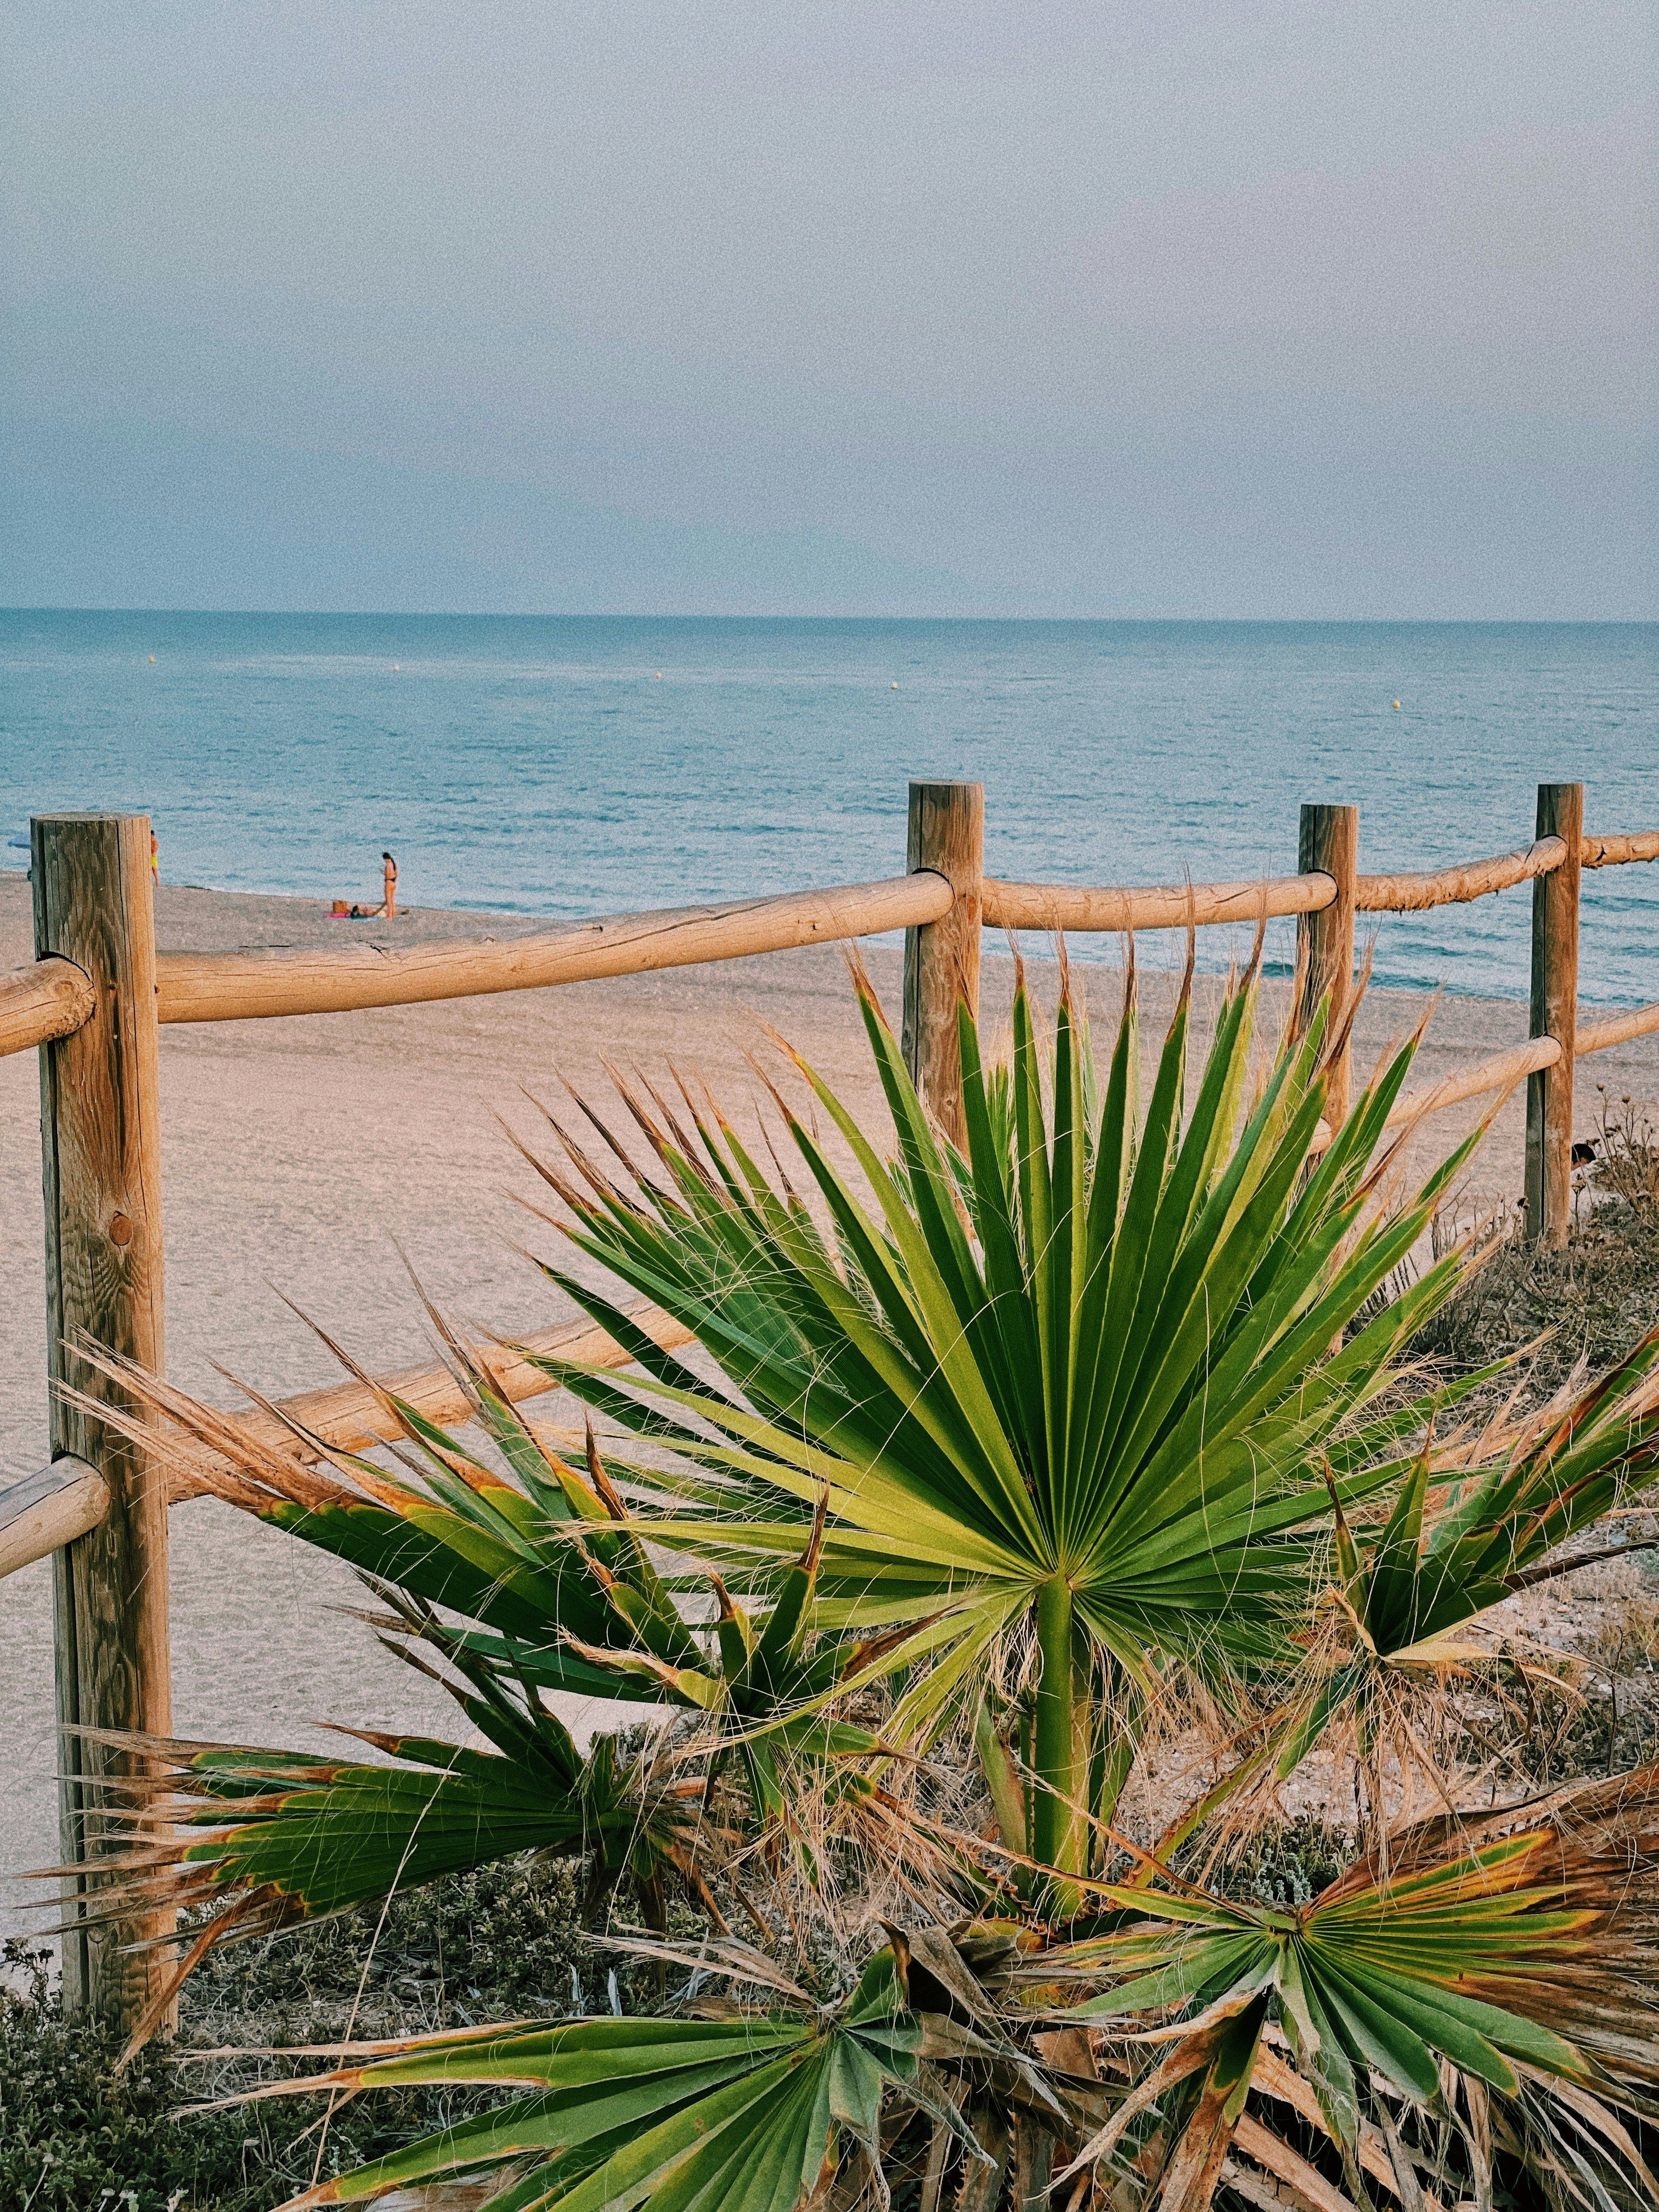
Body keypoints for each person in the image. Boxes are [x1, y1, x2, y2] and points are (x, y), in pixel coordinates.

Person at [382, 851, 398, 919]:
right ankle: (393, 914)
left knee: (388, 900)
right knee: (392, 900)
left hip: (388, 883)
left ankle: (389, 916)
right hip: (394, 883)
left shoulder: (388, 865)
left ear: (385, 859)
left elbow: (388, 875)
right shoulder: (394, 865)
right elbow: (396, 875)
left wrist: (384, 873)